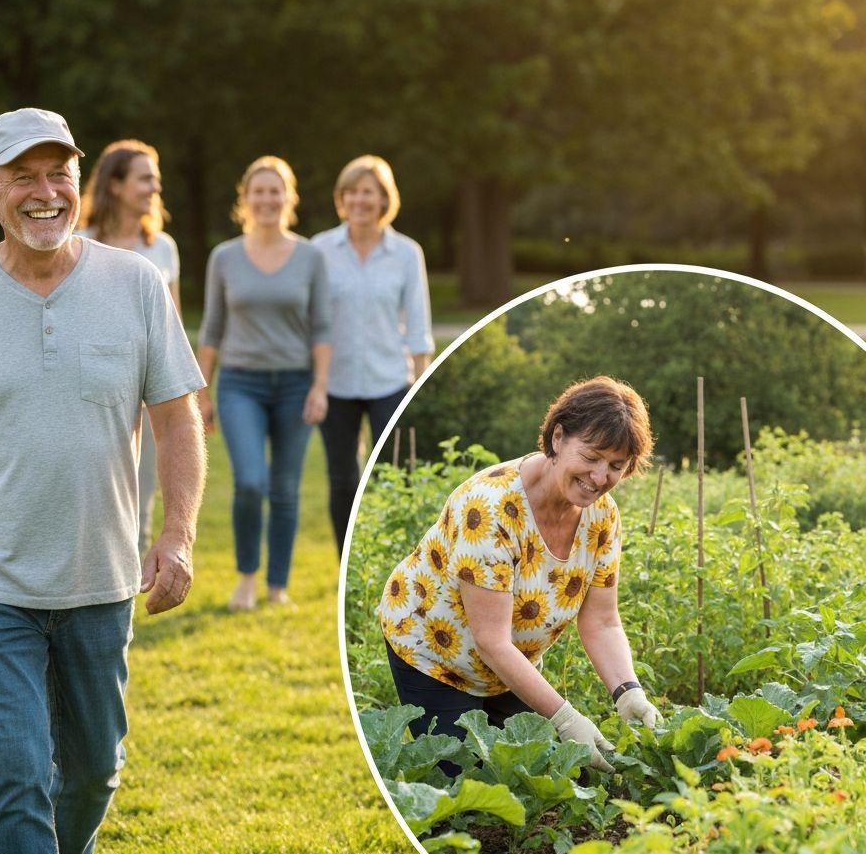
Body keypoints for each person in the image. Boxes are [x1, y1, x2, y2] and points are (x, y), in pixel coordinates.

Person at [0, 108, 207, 854]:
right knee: (17, 771)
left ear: (79, 184)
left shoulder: (135, 283)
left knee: (93, 772)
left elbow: (176, 418)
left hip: (100, 577)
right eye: (22, 176)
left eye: (59, 172)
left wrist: (178, 533)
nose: (45, 191)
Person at [379, 376, 662, 773]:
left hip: (510, 664)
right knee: (467, 782)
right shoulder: (489, 509)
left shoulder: (602, 515)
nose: (600, 478)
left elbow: (601, 621)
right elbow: (491, 641)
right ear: (558, 438)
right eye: (592, 457)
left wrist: (628, 691)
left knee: (545, 774)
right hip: (436, 655)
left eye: (616, 466)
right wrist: (565, 718)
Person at [197, 156, 331, 611]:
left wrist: (319, 386)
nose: (267, 199)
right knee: (251, 482)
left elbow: (322, 328)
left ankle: (277, 587)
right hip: (241, 385)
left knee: (285, 488)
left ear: (289, 198)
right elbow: (211, 330)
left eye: (276, 191)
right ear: (246, 198)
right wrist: (202, 394)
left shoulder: (311, 257)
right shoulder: (224, 257)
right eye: (259, 191)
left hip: (296, 385)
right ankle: (246, 579)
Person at [312, 155, 433, 554]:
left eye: (368, 192)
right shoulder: (320, 250)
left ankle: (394, 558)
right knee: (343, 480)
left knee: (395, 478)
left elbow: (418, 323)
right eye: (351, 192)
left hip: (390, 381)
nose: (359, 200)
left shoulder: (406, 253)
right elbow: (310, 320)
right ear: (341, 198)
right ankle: (346, 563)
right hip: (335, 383)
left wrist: (420, 385)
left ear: (384, 199)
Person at [77, 139, 183, 555]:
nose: (154, 187)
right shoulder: (78, 243)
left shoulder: (162, 247)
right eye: (144, 179)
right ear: (115, 185)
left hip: (147, 394)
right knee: (89, 501)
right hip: (89, 392)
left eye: (156, 179)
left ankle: (131, 586)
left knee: (139, 504)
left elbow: (173, 326)